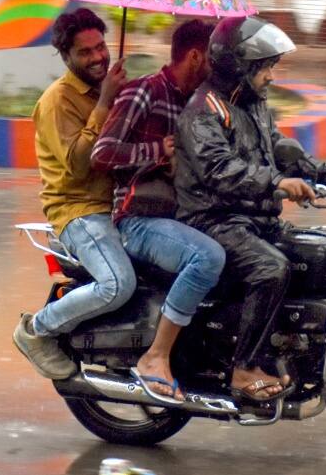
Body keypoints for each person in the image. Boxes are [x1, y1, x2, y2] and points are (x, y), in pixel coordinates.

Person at [174, 16, 326, 402]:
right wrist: (276, 183)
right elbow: (220, 171)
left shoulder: (252, 104)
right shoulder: (203, 111)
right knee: (270, 268)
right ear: (240, 65)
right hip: (213, 220)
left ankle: (291, 350)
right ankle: (243, 367)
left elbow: (278, 147)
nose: (271, 76)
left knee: (323, 252)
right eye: (265, 67)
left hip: (253, 218)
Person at [91, 20, 225, 402]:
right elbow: (101, 154)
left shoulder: (196, 101)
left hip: (180, 216)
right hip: (139, 220)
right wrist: (156, 153)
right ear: (196, 56)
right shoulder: (145, 92)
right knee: (207, 257)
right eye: (213, 58)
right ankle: (155, 357)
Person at [13, 8, 131, 381]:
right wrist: (103, 105)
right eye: (85, 52)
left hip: (123, 206)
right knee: (117, 285)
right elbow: (79, 166)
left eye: (101, 47)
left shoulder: (114, 87)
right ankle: (37, 330)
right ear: (65, 57)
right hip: (80, 212)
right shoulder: (56, 101)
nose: (98, 57)